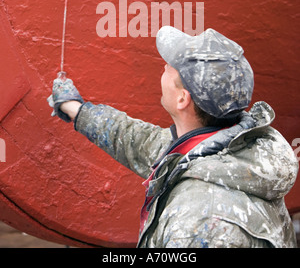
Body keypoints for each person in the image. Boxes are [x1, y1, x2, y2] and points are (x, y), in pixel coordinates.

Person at [48, 26, 299, 248]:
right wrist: (77, 109)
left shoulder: (198, 224)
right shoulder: (231, 149)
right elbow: (137, 140)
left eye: (169, 67)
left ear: (182, 98)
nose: (163, 68)